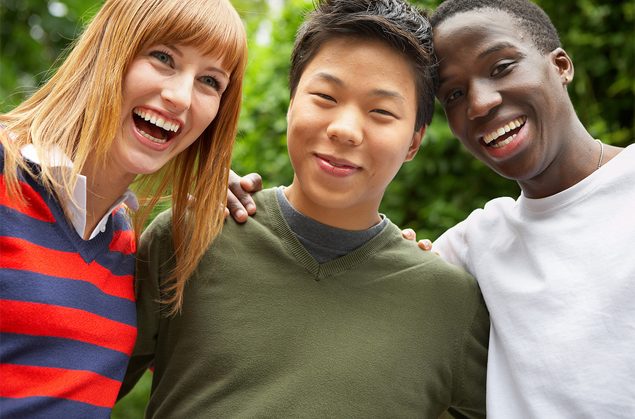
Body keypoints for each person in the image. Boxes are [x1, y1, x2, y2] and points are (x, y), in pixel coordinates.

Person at [119, 0, 489, 417]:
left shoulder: (450, 304)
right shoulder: (188, 238)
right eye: (326, 96)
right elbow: (64, 379)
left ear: (414, 142)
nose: (345, 129)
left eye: (382, 112)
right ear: (292, 101)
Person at [0, 0, 248, 416]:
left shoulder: (123, 242)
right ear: (108, 49)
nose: (180, 97)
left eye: (210, 81)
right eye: (163, 57)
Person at [406, 0, 634, 417]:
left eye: (501, 67)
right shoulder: (475, 244)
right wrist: (245, 194)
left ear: (561, 65)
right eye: (453, 94)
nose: (479, 104)